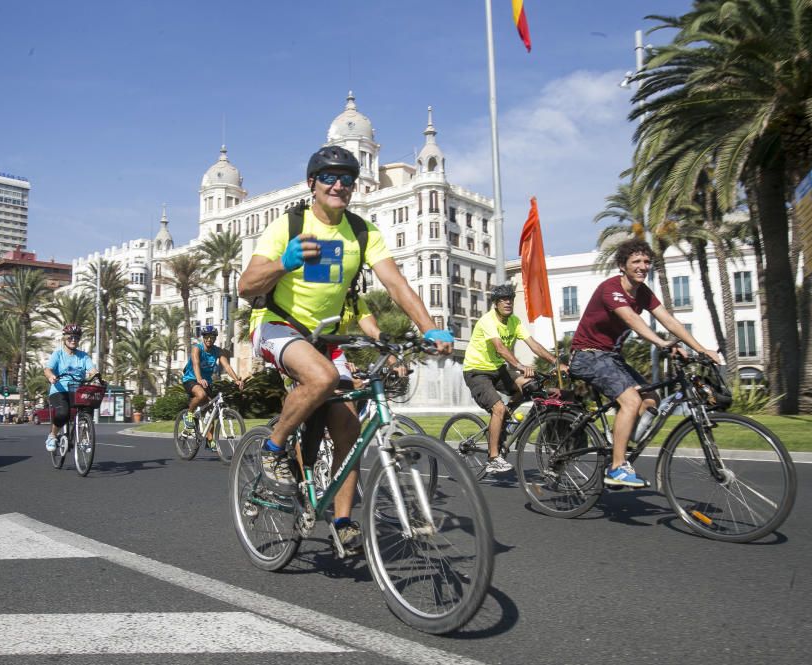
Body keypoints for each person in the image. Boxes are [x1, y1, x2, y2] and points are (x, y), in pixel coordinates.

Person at [237, 144, 453, 554]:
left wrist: (430, 327)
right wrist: (285, 261)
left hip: (326, 337)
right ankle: (272, 448)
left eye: (347, 179)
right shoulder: (288, 225)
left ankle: (342, 519)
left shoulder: (361, 231)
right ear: (312, 184)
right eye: (329, 178)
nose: (339, 185)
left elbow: (396, 283)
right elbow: (246, 286)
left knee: (349, 429)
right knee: (321, 377)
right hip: (276, 325)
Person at [569, 239, 722, 488]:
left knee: (652, 399)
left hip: (612, 357)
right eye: (636, 261)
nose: (643, 266)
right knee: (631, 400)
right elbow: (632, 321)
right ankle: (617, 467)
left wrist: (700, 348)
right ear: (622, 265)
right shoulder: (611, 289)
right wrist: (661, 343)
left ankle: (621, 447)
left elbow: (670, 322)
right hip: (588, 355)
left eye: (647, 261)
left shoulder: (643, 293)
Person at [462, 282, 567, 474]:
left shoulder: (515, 322)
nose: (507, 303)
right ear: (495, 303)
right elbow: (500, 348)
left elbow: (533, 344)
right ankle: (493, 458)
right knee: (498, 408)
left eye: (510, 299)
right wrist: (519, 365)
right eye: (502, 300)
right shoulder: (488, 321)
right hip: (476, 371)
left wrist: (555, 362)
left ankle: (506, 417)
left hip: (497, 370)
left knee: (531, 385)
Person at [43, 323, 98, 452]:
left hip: (77, 391)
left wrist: (96, 377)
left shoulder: (83, 356)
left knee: (88, 409)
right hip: (59, 390)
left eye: (76, 338)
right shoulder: (58, 355)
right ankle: (52, 435)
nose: (73, 340)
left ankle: (84, 438)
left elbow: (92, 370)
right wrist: (51, 376)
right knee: (63, 413)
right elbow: (48, 369)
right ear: (64, 339)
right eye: (70, 338)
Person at [181, 325, 244, 429]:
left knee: (211, 412)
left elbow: (227, 366)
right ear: (203, 337)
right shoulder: (197, 348)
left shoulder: (218, 351)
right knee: (201, 395)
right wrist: (199, 379)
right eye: (206, 336)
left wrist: (237, 380)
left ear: (215, 338)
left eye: (212, 337)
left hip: (206, 382)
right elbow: (196, 364)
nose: (209, 339)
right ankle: (189, 415)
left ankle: (210, 444)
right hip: (191, 379)